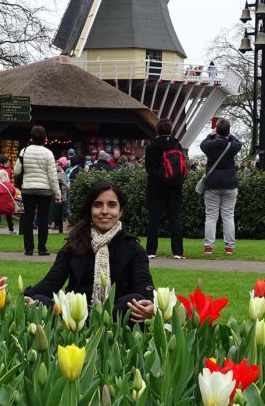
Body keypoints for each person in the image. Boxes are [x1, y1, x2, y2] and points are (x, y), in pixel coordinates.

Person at [24, 181, 155, 324]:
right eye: (98, 205)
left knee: (134, 301)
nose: (105, 211)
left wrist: (150, 303)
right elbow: (51, 283)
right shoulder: (74, 245)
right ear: (90, 209)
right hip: (76, 315)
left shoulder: (133, 248)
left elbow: (144, 285)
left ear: (121, 210)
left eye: (111, 205)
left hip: (116, 317)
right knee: (38, 302)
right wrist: (28, 296)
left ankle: (105, 331)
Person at [14, 125, 61, 256]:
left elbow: (17, 170)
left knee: (28, 218)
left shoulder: (24, 151)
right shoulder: (48, 153)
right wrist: (58, 194)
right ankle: (42, 248)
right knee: (43, 219)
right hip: (44, 190)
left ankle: (28, 248)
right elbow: (52, 176)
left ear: (31, 138)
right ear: (45, 139)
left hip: (28, 189)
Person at [144, 118, 187, 260]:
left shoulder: (152, 147)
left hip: (156, 186)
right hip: (174, 186)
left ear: (157, 130)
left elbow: (148, 167)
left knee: (154, 218)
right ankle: (178, 251)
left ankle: (150, 251)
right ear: (170, 130)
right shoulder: (177, 145)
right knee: (175, 218)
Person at [200, 118, 242, 256]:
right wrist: (228, 134)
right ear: (228, 131)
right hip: (229, 182)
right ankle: (229, 247)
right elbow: (238, 142)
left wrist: (211, 134)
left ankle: (208, 247)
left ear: (216, 130)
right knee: (228, 216)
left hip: (212, 183)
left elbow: (203, 143)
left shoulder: (210, 145)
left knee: (211, 216)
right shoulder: (232, 146)